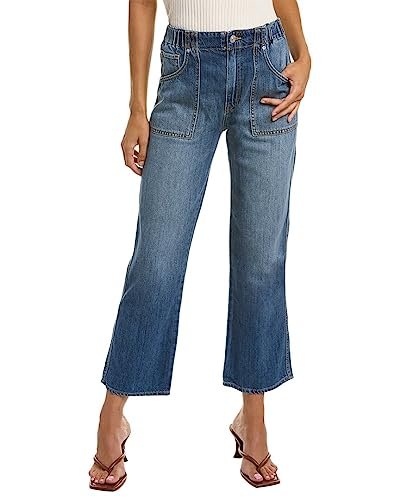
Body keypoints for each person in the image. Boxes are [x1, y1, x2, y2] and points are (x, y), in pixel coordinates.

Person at [89, 0, 311, 491]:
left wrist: (304, 54)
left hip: (267, 67)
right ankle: (113, 411)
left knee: (260, 261)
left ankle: (253, 416)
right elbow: (143, 2)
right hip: (187, 73)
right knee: (156, 261)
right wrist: (136, 108)